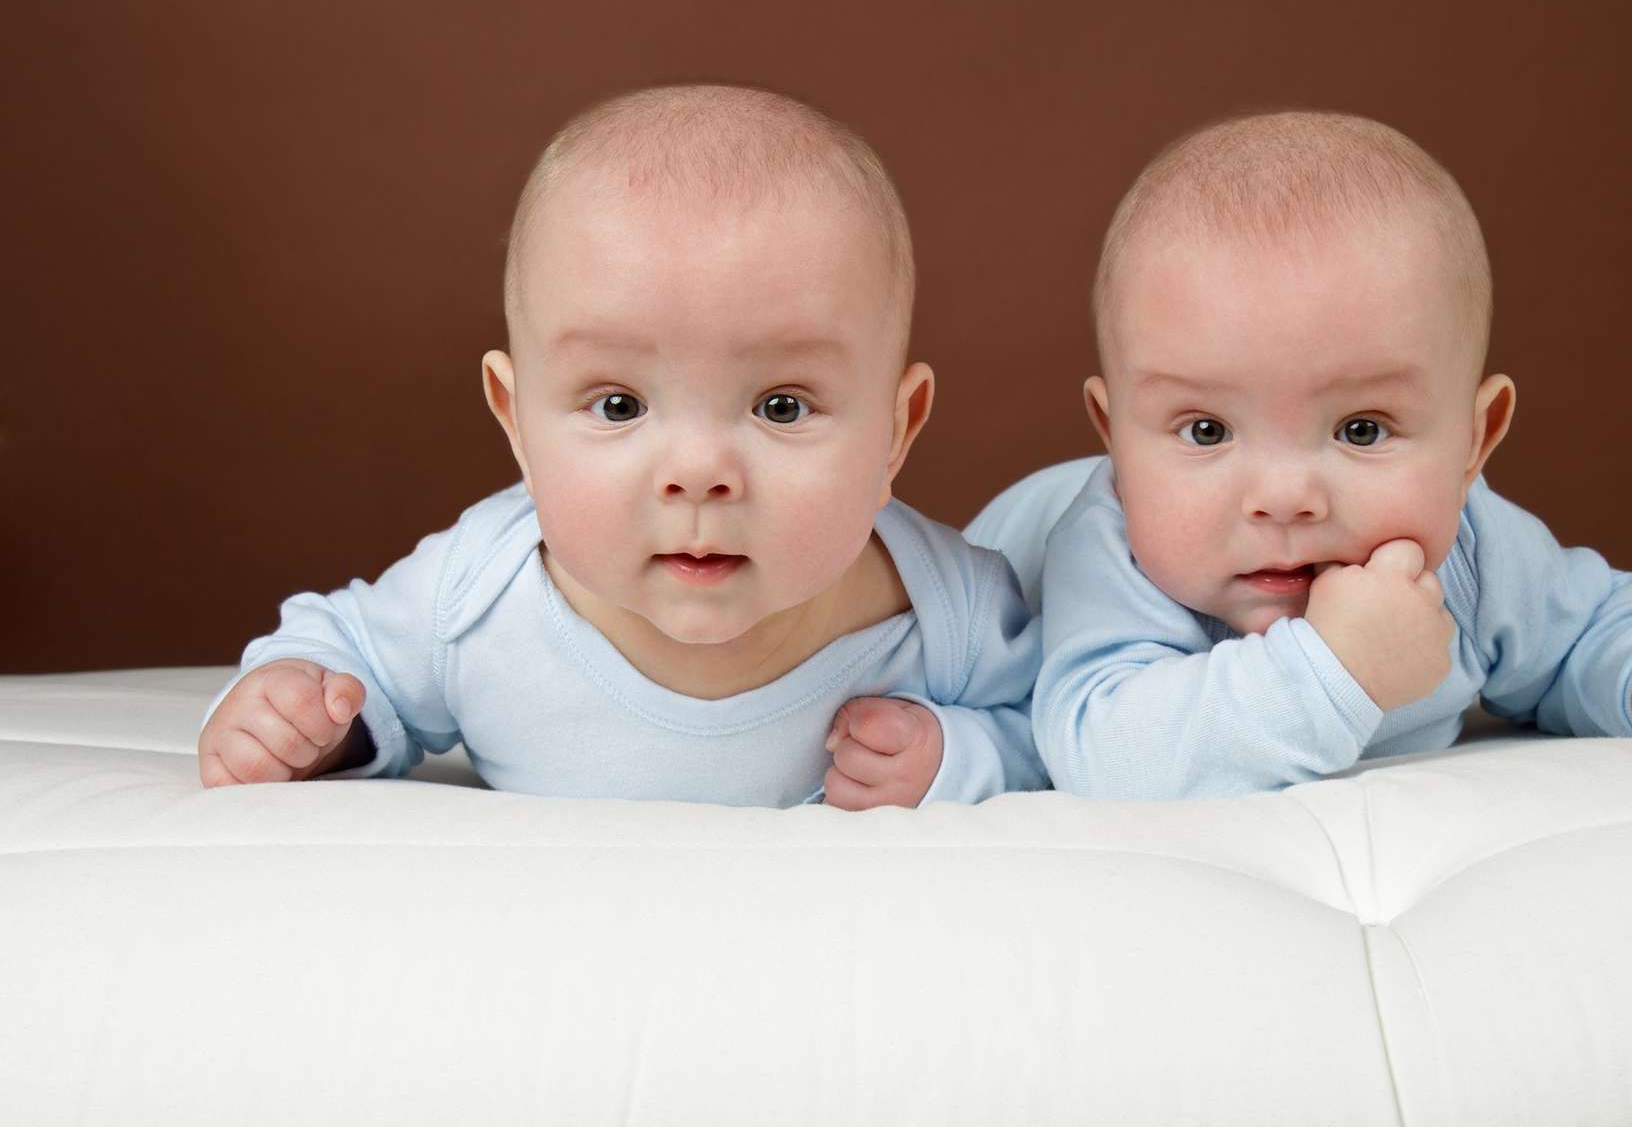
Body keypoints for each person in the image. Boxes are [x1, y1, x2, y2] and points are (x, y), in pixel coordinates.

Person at [198, 84, 1045, 810]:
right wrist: (301, 718)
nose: (697, 475)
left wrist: (953, 756)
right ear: (515, 418)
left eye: (782, 407)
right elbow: (345, 657)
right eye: (619, 404)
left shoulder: (949, 613)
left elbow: (1054, 728)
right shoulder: (477, 595)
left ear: (897, 430)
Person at [1030, 110, 1632, 798]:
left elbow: (1582, 631)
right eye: (1206, 431)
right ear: (1114, 436)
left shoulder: (1475, 550)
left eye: (1361, 429)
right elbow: (1102, 753)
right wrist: (1336, 670)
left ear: (1473, 441)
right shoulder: (1108, 553)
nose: (1286, 496)